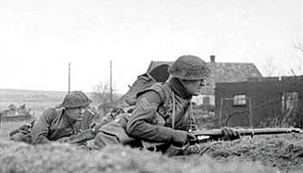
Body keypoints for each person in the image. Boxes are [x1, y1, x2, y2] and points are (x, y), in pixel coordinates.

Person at [93, 55, 239, 153]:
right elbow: (135, 126)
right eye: (199, 78)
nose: (203, 83)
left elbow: (192, 137)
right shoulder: (156, 94)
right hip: (113, 143)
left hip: (139, 149)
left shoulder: (185, 101)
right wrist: (173, 134)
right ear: (183, 79)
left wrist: (220, 136)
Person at [10, 91, 93, 144]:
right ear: (67, 108)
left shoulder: (81, 122)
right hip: (27, 142)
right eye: (77, 108)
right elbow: (38, 139)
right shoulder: (51, 114)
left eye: (84, 108)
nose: (82, 111)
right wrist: (59, 148)